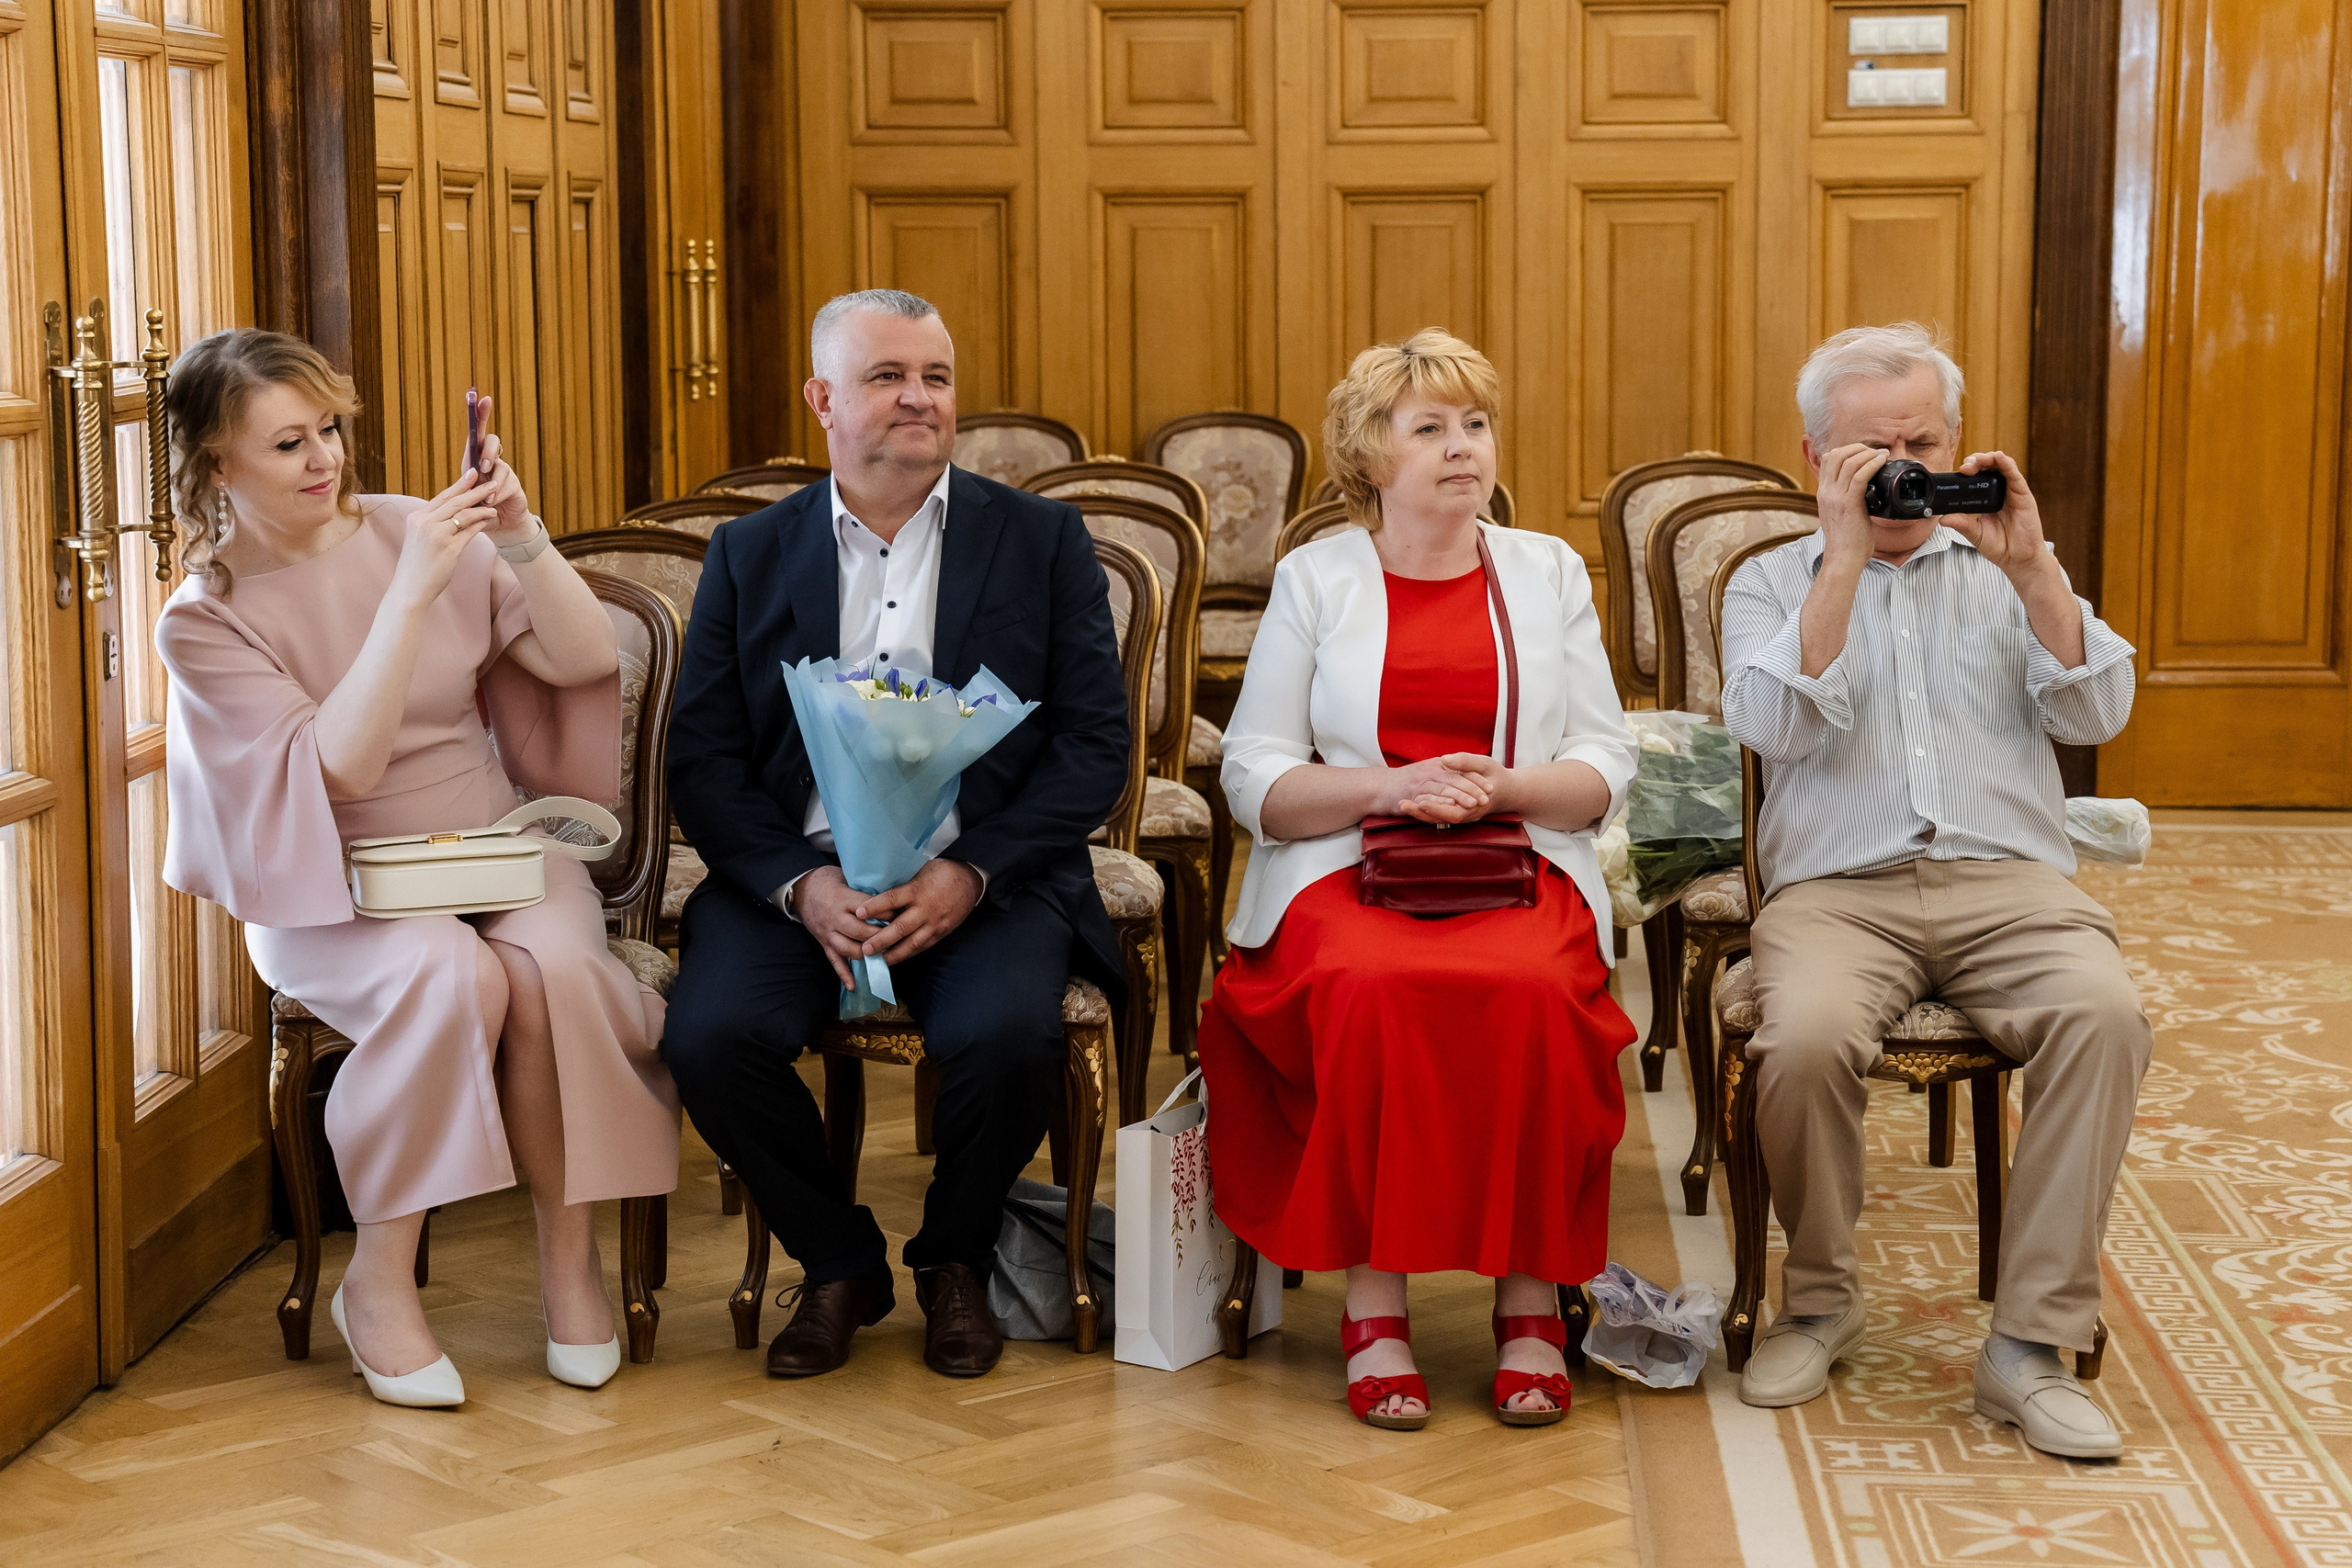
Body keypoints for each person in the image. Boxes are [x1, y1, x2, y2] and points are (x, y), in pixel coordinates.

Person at [156, 330, 680, 1408]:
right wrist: (406, 597)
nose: (325, 459)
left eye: (331, 430)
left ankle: (567, 1255)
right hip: (329, 882)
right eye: (289, 441)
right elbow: (338, 767)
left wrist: (523, 538)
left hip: (492, 842)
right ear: (218, 465)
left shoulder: (406, 525)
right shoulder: (202, 620)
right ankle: (379, 1283)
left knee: (561, 976)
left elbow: (585, 662)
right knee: (454, 977)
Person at [661, 289, 1128, 1382]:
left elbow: (1091, 751)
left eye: (936, 378)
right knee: (708, 1038)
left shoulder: (1042, 541)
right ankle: (837, 1264)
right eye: (887, 377)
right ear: (824, 399)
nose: (919, 399)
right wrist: (794, 887)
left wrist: (972, 872)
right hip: (798, 879)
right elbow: (706, 761)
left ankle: (954, 1258)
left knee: (1010, 1037)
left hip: (985, 876)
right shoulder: (748, 554)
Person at [1719, 321, 2150, 1459]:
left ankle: (2028, 1346)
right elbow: (1769, 727)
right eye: (1876, 448)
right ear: (1816, 459)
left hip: (2010, 883)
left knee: (2104, 1018)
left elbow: (2095, 715)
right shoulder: (1767, 580)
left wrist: (2032, 563)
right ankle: (1819, 1301)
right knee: (1801, 1040)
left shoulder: (2010, 567)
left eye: (1923, 440)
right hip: (1836, 894)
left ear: (1959, 442)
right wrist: (1844, 559)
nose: (1906, 465)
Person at [1201, 329, 1639, 1430]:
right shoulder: (1317, 578)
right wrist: (1387, 789)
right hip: (1346, 868)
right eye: (1429, 428)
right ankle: (1374, 1307)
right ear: (1369, 455)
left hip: (1516, 857)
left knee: (1534, 995)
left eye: (1475, 425)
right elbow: (1253, 772)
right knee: (1366, 987)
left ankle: (1531, 1302)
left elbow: (1605, 760)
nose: (1460, 449)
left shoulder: (1545, 570)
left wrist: (1502, 791)